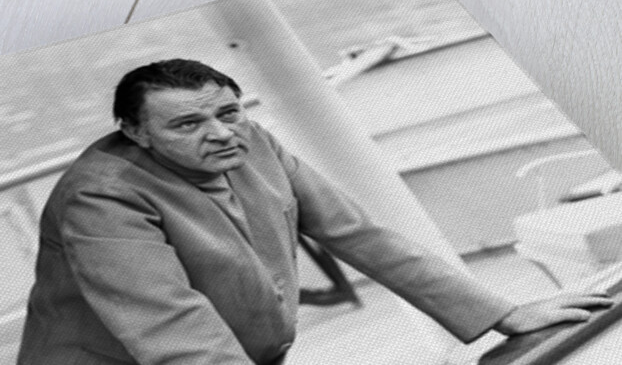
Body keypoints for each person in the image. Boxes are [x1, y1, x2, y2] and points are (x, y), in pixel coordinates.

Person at [17, 59, 612, 364]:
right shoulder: (100, 198)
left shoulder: (254, 143)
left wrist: (503, 313)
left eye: (228, 112)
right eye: (187, 124)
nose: (220, 133)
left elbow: (360, 235)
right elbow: (171, 324)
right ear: (135, 132)